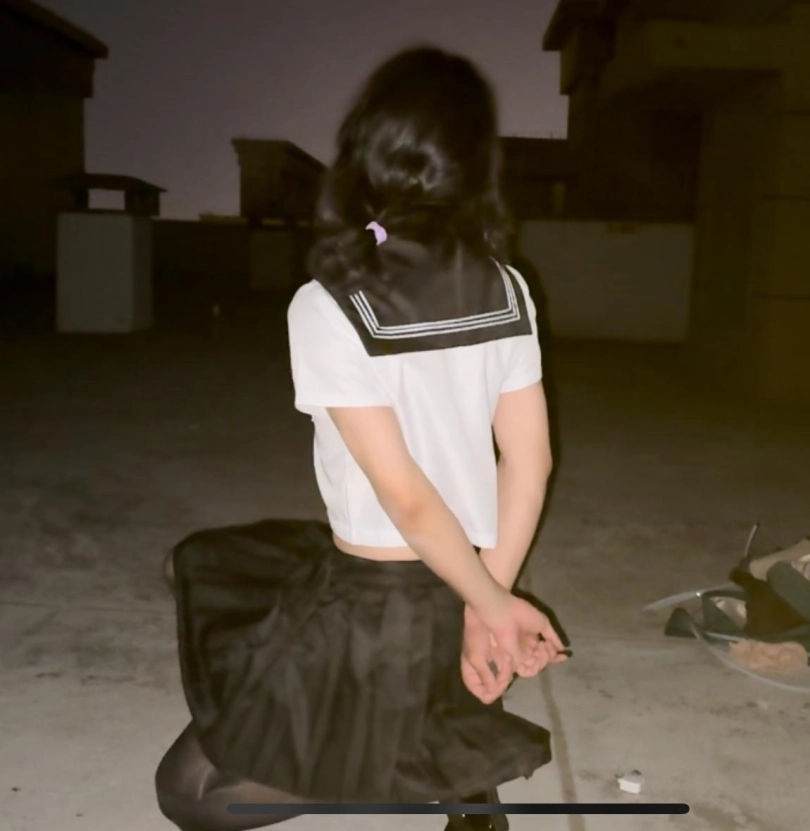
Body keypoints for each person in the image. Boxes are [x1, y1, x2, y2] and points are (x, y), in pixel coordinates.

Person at [155, 46, 568, 831]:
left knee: (191, 793)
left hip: (381, 609)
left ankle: (407, 762)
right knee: (199, 562)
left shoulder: (328, 302)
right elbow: (529, 461)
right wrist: (487, 600)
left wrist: (492, 608)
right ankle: (435, 740)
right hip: (461, 575)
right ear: (475, 166)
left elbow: (408, 499)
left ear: (367, 157)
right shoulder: (508, 285)